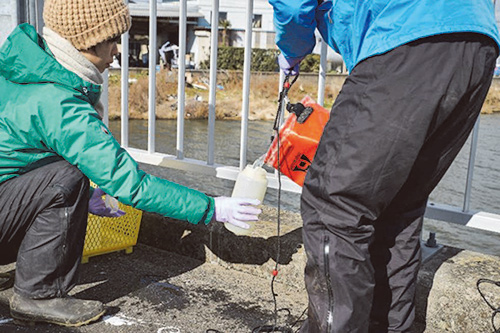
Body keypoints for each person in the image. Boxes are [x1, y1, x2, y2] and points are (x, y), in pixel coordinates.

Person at [0, 0, 261, 327]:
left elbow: (23, 154)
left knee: (66, 182)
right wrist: (211, 207)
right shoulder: (60, 102)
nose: (116, 51)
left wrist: (76, 198)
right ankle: (37, 294)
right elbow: (130, 185)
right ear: (86, 41)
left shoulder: (23, 70)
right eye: (111, 40)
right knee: (66, 178)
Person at [268, 0, 500, 332]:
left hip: (404, 34)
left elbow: (293, 7)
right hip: (474, 40)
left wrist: (292, 49)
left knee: (334, 206)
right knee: (396, 206)